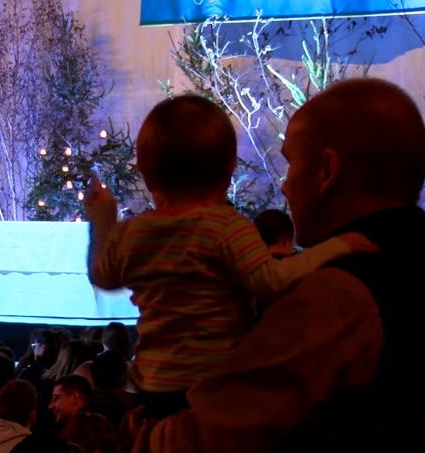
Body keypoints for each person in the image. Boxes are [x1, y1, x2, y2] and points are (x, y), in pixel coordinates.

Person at [132, 78, 425, 452]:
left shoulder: (334, 299)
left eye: (290, 164)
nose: (285, 187)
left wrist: (146, 436)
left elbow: (213, 432)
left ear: (326, 172)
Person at [85, 94, 377, 420]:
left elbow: (102, 275)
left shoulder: (132, 233)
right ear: (228, 171)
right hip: (217, 383)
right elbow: (272, 281)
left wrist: (102, 218)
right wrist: (337, 246)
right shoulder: (225, 226)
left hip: (154, 384)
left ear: (146, 174)